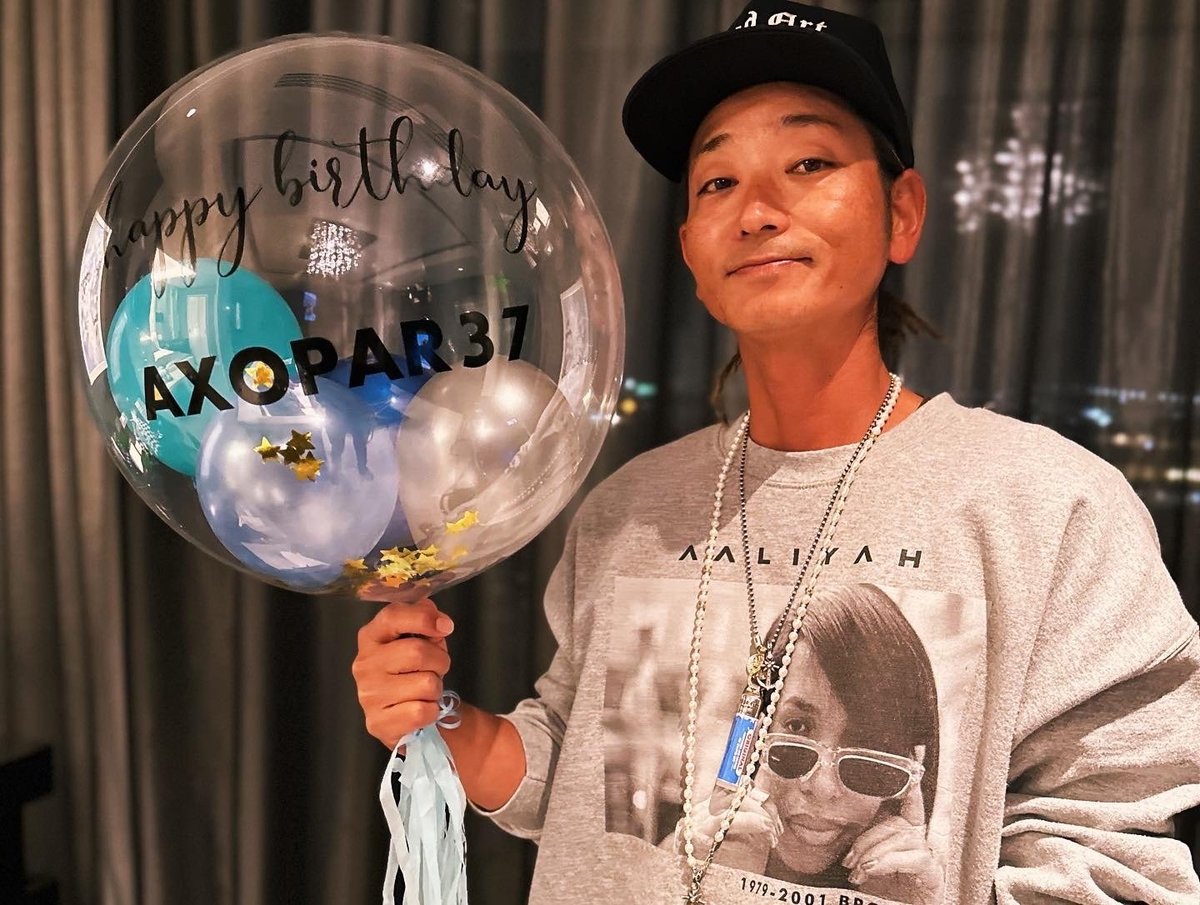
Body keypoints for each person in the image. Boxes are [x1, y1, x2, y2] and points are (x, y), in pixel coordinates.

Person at [352, 3, 1200, 902]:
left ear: (902, 212)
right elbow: (576, 771)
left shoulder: (1052, 506)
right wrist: (437, 713)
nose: (757, 211)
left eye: (809, 164)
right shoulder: (630, 507)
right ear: (689, 248)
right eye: (718, 182)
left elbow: (1113, 854)